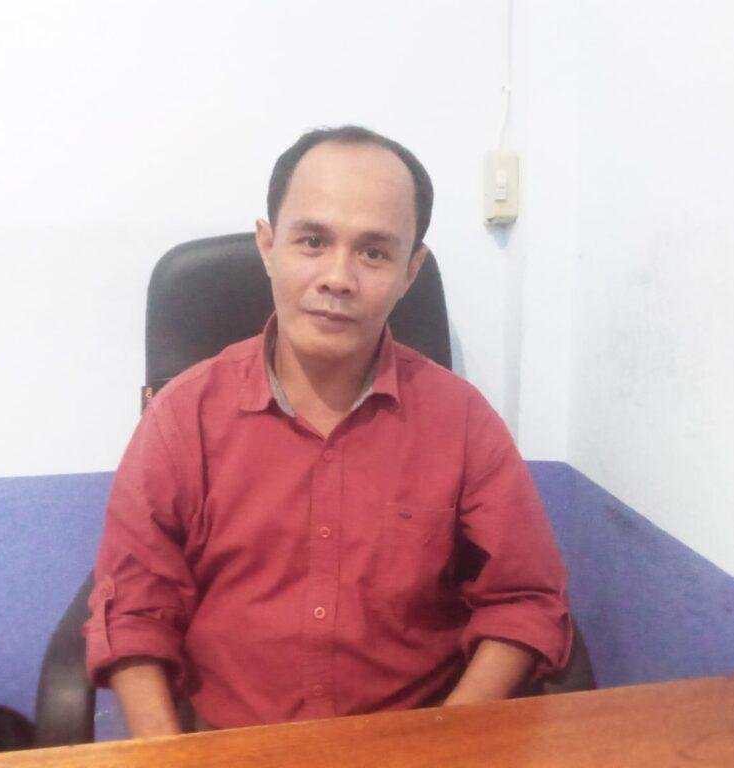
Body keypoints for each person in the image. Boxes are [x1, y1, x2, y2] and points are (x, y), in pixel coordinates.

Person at [84, 125, 572, 737]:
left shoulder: (463, 421)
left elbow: (524, 600)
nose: (338, 277)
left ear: (411, 270)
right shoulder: (182, 418)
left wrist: (443, 742)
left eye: (374, 253)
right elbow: (134, 610)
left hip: (414, 742)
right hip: (232, 745)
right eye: (313, 241)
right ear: (268, 246)